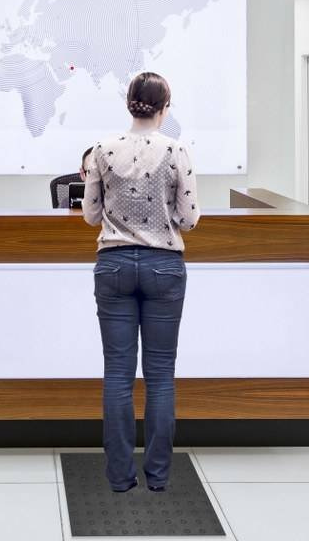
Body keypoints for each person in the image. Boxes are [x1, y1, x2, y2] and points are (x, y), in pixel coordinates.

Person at [82, 71, 201, 493]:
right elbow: (189, 219)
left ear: (129, 103)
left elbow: (91, 216)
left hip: (113, 265)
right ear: (164, 107)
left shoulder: (102, 149)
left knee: (117, 374)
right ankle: (158, 476)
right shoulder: (176, 150)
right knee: (161, 375)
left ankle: (119, 478)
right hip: (164, 266)